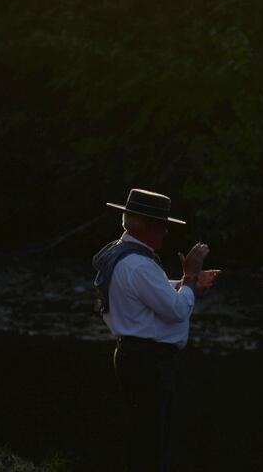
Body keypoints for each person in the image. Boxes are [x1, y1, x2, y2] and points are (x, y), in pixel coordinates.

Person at [93, 188, 219, 472]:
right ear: (147, 227)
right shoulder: (140, 264)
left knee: (144, 436)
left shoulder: (123, 256)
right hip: (148, 361)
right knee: (151, 441)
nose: (165, 232)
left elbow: (150, 293)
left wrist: (187, 283)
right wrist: (189, 277)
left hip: (134, 357)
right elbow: (175, 311)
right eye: (162, 226)